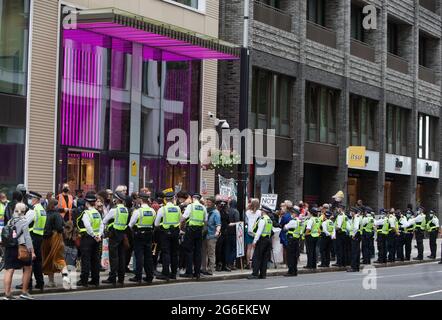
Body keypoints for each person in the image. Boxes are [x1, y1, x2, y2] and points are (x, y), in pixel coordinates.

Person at [3, 203, 35, 300]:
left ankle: (7, 294)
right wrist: (32, 251)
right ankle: (24, 292)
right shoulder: (24, 221)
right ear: (24, 211)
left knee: (9, 270)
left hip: (9, 247)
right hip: (21, 248)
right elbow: (27, 237)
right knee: (28, 267)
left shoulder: (10, 221)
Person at [76, 192, 104, 287]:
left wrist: (93, 235)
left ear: (87, 203)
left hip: (88, 238)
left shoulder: (86, 213)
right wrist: (99, 235)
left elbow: (87, 226)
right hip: (97, 239)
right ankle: (95, 280)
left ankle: (84, 280)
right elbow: (101, 225)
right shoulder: (97, 212)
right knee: (95, 260)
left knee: (86, 259)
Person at [102, 191, 129, 286]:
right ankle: (121, 278)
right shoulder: (125, 209)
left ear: (117, 200)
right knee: (121, 257)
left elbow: (104, 220)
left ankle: (112, 278)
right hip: (122, 234)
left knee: (113, 258)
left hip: (114, 235)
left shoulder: (114, 210)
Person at [41, 199, 69, 288]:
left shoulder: (45, 213)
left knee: (48, 259)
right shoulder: (57, 215)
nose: (59, 206)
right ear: (55, 206)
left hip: (45, 239)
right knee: (59, 258)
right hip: (56, 237)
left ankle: (51, 281)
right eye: (58, 205)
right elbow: (60, 227)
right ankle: (66, 279)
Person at [128, 192, 155, 283]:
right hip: (149, 234)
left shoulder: (138, 211)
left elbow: (130, 224)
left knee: (139, 256)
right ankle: (149, 276)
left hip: (139, 234)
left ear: (140, 199)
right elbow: (154, 223)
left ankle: (138, 276)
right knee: (148, 256)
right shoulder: (152, 211)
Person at [154, 191, 181, 281]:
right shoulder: (177, 208)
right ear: (173, 199)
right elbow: (180, 220)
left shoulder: (163, 209)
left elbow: (156, 223)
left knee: (166, 253)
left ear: (165, 199)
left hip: (165, 233)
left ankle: (165, 273)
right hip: (175, 232)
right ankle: (173, 273)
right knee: (174, 253)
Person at [180, 193, 207, 279]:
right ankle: (197, 273)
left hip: (190, 230)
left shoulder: (190, 206)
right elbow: (205, 220)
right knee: (198, 252)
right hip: (199, 230)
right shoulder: (203, 208)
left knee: (189, 251)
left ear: (193, 198)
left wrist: (179, 221)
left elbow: (184, 217)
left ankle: (189, 272)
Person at [23, 191, 46, 290]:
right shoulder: (42, 210)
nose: (30, 200)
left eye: (31, 198)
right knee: (38, 261)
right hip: (39, 237)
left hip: (32, 237)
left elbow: (24, 223)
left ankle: (28, 284)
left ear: (35, 199)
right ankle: (40, 283)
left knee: (29, 262)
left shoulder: (33, 210)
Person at [247, 206, 274, 280]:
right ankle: (263, 274)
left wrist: (255, 241)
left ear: (263, 211)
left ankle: (255, 274)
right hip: (267, 240)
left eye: (261, 210)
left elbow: (259, 231)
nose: (261, 212)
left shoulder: (262, 219)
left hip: (261, 240)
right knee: (264, 258)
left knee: (257, 257)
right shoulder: (269, 220)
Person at [201, 196, 220, 276]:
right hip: (204, 234)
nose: (207, 203)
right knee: (203, 252)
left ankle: (211, 269)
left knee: (211, 253)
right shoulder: (205, 210)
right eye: (207, 202)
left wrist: (217, 231)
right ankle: (203, 268)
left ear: (213, 203)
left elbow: (218, 224)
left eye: (209, 202)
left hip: (212, 235)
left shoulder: (216, 213)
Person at [284, 206, 302, 276]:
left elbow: (285, 227)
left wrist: (285, 226)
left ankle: (290, 271)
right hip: (297, 240)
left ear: (295, 214)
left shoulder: (292, 221)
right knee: (295, 256)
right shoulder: (300, 222)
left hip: (291, 240)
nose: (291, 214)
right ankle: (294, 271)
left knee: (290, 256)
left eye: (292, 213)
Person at [245, 199, 261, 269]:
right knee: (255, 248)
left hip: (249, 231)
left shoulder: (247, 212)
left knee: (249, 248)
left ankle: (248, 263)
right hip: (256, 231)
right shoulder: (259, 212)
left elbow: (246, 221)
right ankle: (254, 262)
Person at [225, 199, 240, 270]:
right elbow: (237, 222)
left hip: (227, 232)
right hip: (233, 232)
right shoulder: (235, 211)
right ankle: (230, 263)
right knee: (234, 249)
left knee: (228, 248)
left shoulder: (227, 210)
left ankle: (227, 263)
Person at [348, 207, 362, 272]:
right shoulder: (357, 217)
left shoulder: (356, 217)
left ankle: (353, 267)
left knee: (354, 252)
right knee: (357, 251)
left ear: (353, 212)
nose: (350, 213)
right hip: (358, 235)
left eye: (351, 211)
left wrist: (353, 235)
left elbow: (356, 227)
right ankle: (356, 267)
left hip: (355, 235)